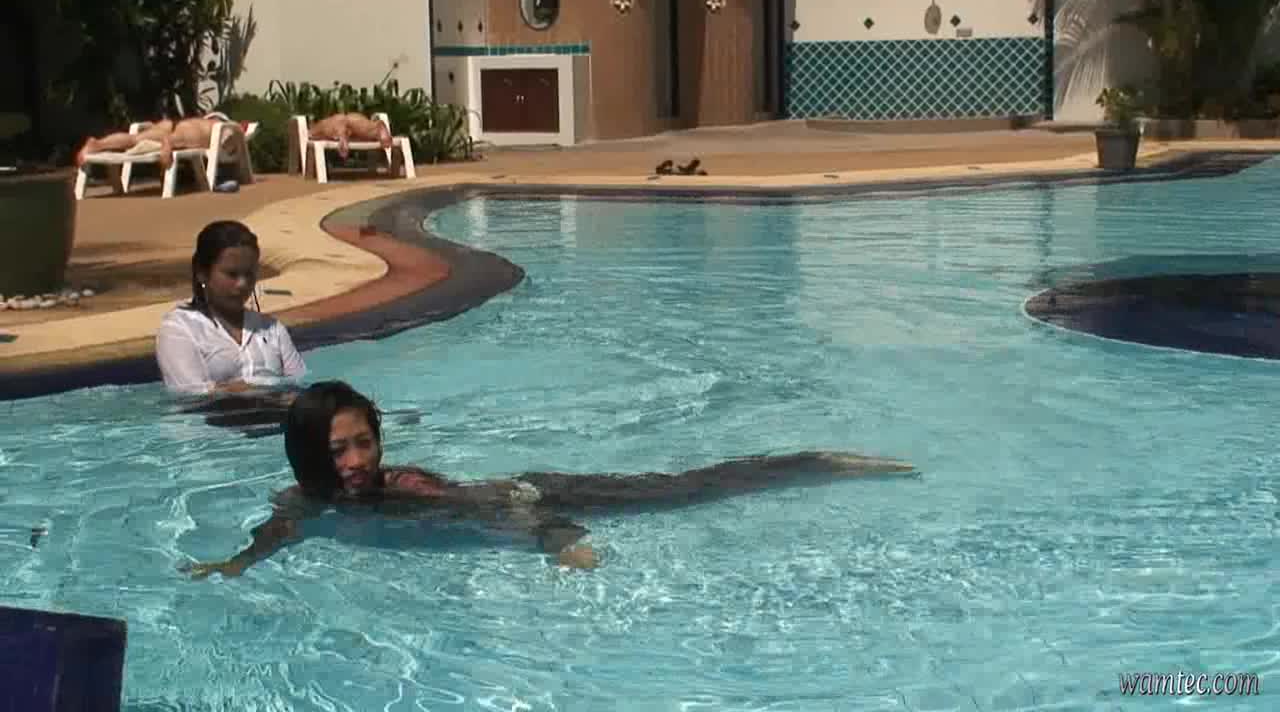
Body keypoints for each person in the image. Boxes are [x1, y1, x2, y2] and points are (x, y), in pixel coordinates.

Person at [183, 381, 919, 578]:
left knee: (687, 489)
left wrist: (558, 540)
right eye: (338, 450)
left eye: (364, 443)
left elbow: (487, 514)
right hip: (522, 498)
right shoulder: (307, 497)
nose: (356, 461)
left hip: (541, 497)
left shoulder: (404, 490)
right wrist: (238, 563)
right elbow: (284, 525)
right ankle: (813, 462)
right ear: (309, 456)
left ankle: (816, 463)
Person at [155, 220, 306, 400]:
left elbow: (301, 384)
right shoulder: (180, 329)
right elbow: (189, 395)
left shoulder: (272, 329)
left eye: (249, 274)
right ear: (202, 273)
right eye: (232, 274)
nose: (242, 284)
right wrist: (257, 393)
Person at [75, 114, 247, 171]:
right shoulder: (226, 127)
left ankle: (97, 144)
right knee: (185, 138)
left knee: (134, 139)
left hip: (173, 123)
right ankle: (168, 143)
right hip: (188, 131)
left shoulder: (205, 119)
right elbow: (229, 143)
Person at [307, 112, 392, 159]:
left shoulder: (323, 125)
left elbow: (340, 120)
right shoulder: (320, 128)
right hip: (346, 128)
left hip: (347, 123)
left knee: (351, 123)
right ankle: (376, 128)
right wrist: (343, 138)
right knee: (355, 128)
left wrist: (342, 138)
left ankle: (377, 127)